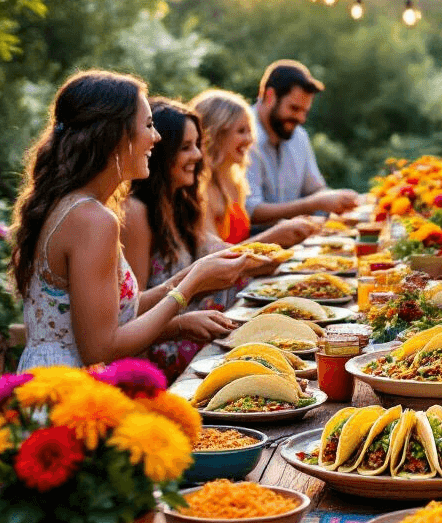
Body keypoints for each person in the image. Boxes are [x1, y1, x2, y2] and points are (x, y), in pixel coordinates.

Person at [0, 71, 246, 523]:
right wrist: (189, 289)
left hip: (50, 384)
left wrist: (189, 282)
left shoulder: (77, 207)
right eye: (147, 125)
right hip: (69, 402)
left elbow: (115, 309)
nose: (156, 137)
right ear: (114, 136)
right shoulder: (93, 220)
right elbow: (101, 345)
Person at [122, 99, 314, 380]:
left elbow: (225, 257)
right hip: (162, 360)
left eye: (198, 145)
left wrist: (279, 249)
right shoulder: (136, 212)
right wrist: (180, 324)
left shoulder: (181, 203)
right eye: (186, 147)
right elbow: (130, 313)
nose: (198, 155)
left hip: (202, 339)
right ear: (162, 150)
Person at [245, 59, 359, 225]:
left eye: (305, 112)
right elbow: (250, 211)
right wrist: (314, 204)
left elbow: (315, 190)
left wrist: (340, 199)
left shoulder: (298, 136)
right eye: (294, 108)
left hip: (297, 236)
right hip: (254, 238)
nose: (301, 118)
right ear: (270, 96)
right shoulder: (242, 134)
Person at [190, 88, 260, 244]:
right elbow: (213, 253)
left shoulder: (236, 182)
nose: (249, 139)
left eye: (250, 131)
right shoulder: (199, 188)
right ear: (216, 135)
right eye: (241, 131)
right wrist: (274, 236)